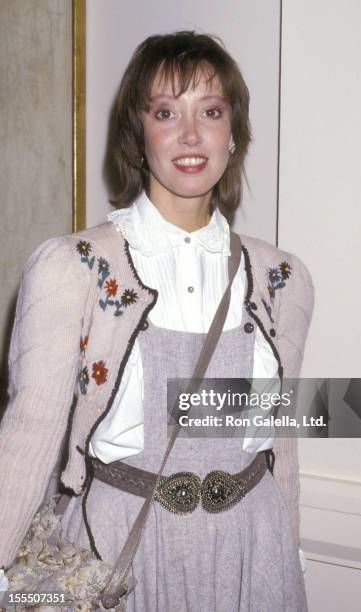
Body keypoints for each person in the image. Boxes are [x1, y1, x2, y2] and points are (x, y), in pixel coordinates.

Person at [0, 31, 314, 611]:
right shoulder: (73, 267)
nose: (191, 135)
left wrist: (288, 552)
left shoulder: (282, 279)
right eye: (166, 112)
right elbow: (28, 437)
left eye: (211, 112)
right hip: (119, 552)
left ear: (232, 132)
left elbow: (282, 446)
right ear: (137, 133)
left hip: (253, 548)